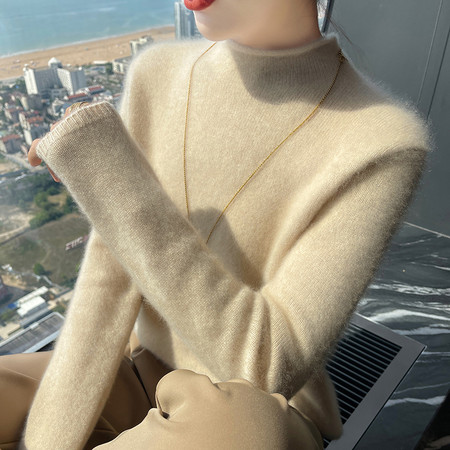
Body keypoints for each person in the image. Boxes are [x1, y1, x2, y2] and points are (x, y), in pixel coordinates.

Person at [0, 0, 432, 448]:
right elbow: (108, 278)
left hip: (252, 409)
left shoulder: (384, 141)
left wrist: (106, 174)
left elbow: (266, 368)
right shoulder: (156, 71)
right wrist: (47, 438)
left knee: (233, 429)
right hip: (139, 362)